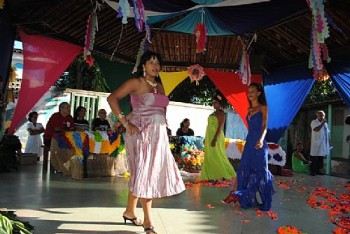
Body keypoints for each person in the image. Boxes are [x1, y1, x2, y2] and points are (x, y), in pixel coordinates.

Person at [107, 51, 185, 234]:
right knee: (146, 176)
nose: (155, 65)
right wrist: (124, 123)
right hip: (141, 136)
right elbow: (112, 99)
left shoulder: (160, 86)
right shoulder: (137, 82)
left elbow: (155, 111)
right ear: (143, 65)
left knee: (141, 175)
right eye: (151, 62)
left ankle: (129, 212)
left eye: (157, 62)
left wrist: (164, 131)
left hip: (158, 137)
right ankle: (148, 223)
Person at [221, 82, 274, 211]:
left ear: (259, 93)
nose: (250, 94)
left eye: (253, 91)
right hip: (249, 143)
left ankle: (262, 201)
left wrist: (261, 139)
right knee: (244, 169)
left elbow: (264, 127)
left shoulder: (263, 108)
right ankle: (239, 196)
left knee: (260, 172)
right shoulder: (249, 110)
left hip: (259, 143)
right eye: (248, 91)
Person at [200, 94, 236, 186]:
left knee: (218, 155)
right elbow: (208, 127)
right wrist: (206, 139)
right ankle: (211, 176)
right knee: (209, 156)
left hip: (216, 137)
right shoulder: (212, 114)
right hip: (209, 137)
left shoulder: (221, 113)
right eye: (213, 102)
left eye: (216, 102)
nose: (214, 104)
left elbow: (220, 127)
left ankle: (223, 174)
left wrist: (215, 139)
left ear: (220, 104)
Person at [309, 110, 331, 176]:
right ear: (317, 115)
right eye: (320, 115)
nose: (322, 116)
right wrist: (322, 123)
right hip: (316, 143)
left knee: (321, 157)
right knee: (314, 157)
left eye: (323, 115)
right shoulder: (314, 122)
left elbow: (326, 133)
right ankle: (312, 171)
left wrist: (329, 142)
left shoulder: (326, 124)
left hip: (323, 143)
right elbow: (316, 130)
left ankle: (318, 170)